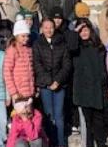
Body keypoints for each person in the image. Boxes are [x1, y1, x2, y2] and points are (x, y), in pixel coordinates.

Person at [70, 18, 108, 147]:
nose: (83, 33)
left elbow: (106, 67)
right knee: (86, 122)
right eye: (80, 31)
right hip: (83, 90)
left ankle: (101, 142)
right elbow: (70, 45)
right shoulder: (75, 47)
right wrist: (75, 32)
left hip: (98, 88)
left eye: (86, 29)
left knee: (99, 119)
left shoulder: (98, 47)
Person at [33, 18, 72, 147]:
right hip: (45, 85)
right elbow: (37, 65)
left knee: (59, 115)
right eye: (46, 27)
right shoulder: (38, 44)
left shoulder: (62, 43)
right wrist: (49, 82)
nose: (48, 30)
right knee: (49, 115)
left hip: (59, 85)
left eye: (51, 27)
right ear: (41, 29)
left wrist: (57, 81)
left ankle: (60, 143)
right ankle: (50, 142)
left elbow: (67, 64)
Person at [4, 20, 36, 102]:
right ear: (16, 35)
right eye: (23, 36)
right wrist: (13, 92)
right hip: (19, 92)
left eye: (27, 36)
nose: (26, 38)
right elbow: (7, 72)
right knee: (21, 114)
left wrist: (34, 88)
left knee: (29, 113)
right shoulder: (12, 50)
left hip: (29, 91)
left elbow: (31, 70)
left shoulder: (29, 49)